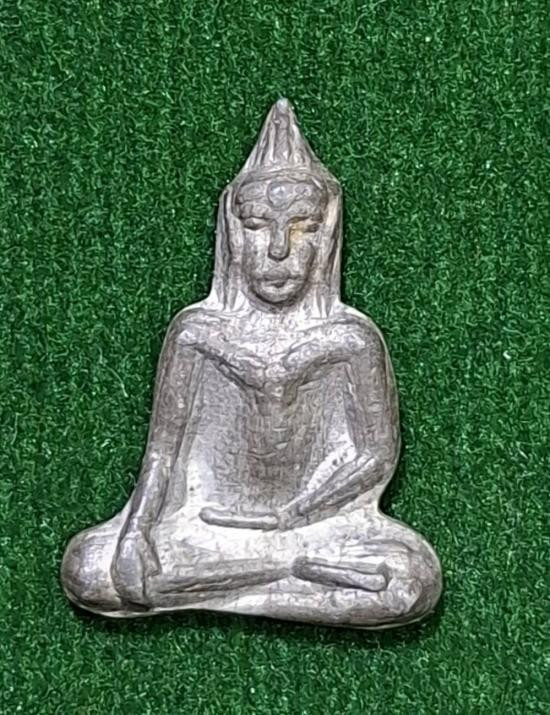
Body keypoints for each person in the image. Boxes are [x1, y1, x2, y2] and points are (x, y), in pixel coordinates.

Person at [61, 99, 442, 628]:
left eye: (303, 227)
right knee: (87, 568)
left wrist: (294, 515)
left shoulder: (351, 340)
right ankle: (281, 573)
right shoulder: (196, 334)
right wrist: (137, 531)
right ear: (233, 234)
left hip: (318, 529)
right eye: (259, 226)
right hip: (203, 526)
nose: (279, 249)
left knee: (411, 580)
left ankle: (224, 580)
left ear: (326, 237)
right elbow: (163, 455)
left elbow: (375, 456)